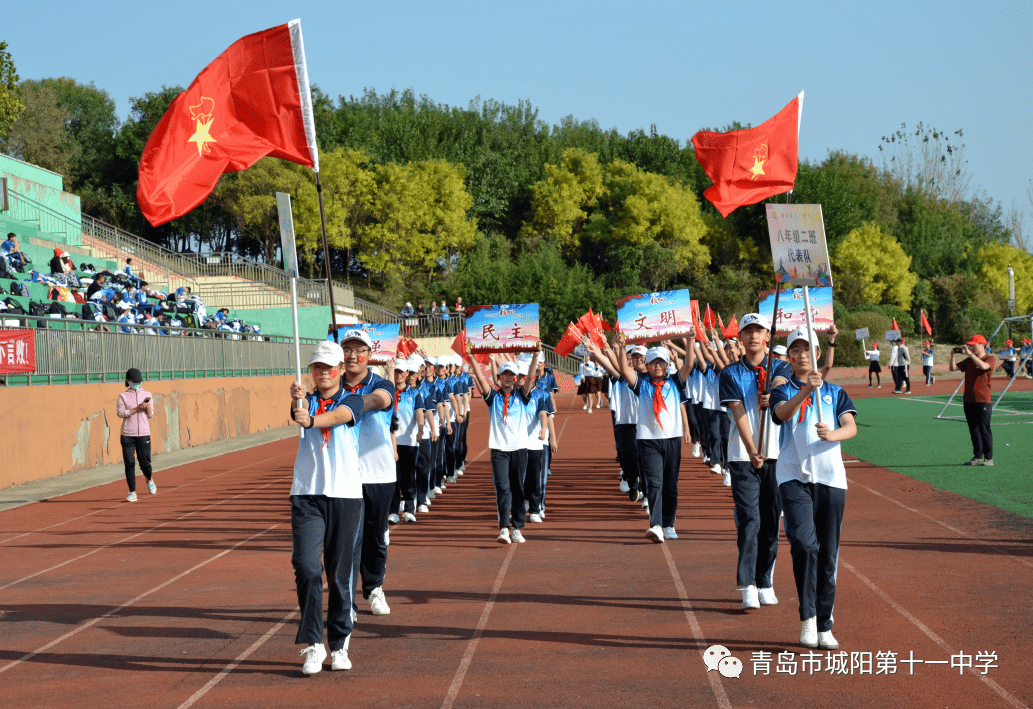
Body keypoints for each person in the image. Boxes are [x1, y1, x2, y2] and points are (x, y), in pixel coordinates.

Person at [770, 327, 858, 651]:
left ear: (817, 354)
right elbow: (781, 414)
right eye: (796, 349)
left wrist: (833, 434)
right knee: (805, 545)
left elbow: (851, 425)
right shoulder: (783, 388)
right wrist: (805, 390)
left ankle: (825, 624)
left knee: (828, 554)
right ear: (790, 356)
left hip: (831, 479)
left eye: (808, 348)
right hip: (793, 475)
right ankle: (807, 618)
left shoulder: (835, 392)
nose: (802, 354)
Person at [288, 340, 365, 674]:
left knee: (339, 573)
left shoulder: (353, 399)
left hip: (345, 495)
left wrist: (310, 421)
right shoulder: (305, 400)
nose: (321, 373)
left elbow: (339, 416)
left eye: (327, 367)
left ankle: (340, 642)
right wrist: (297, 403)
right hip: (307, 495)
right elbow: (298, 414)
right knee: (306, 567)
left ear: (340, 370)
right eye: (315, 367)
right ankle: (313, 644)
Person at [719, 314, 793, 611]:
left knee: (771, 521)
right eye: (747, 331)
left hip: (777, 454)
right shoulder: (730, 373)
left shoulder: (782, 366)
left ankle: (765, 580)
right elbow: (737, 412)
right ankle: (747, 583)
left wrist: (771, 394)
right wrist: (751, 450)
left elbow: (781, 384)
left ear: (767, 335)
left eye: (758, 330)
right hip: (743, 456)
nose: (752, 336)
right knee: (750, 519)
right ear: (741, 337)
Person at [615, 333, 694, 543]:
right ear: (647, 366)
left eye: (661, 362)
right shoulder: (642, 384)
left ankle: (669, 524)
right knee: (654, 483)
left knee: (671, 484)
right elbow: (624, 369)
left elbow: (689, 364)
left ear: (667, 365)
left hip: (672, 440)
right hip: (648, 440)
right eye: (652, 363)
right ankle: (656, 525)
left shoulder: (675, 382)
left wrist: (691, 340)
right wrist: (622, 347)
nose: (657, 366)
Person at [466, 342, 539, 543]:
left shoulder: (522, 396)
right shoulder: (493, 398)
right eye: (504, 374)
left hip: (519, 449)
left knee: (517, 488)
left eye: (511, 374)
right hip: (499, 450)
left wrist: (535, 355)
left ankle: (517, 527)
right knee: (502, 488)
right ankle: (504, 529)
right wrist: (472, 356)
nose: (508, 377)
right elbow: (481, 380)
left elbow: (531, 378)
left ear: (515, 378)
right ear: (499, 378)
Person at [948, 334, 995, 466]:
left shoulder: (989, 358)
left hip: (983, 400)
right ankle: (978, 457)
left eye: (973, 345)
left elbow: (984, 367)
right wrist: (953, 356)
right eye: (970, 345)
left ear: (982, 345)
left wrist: (970, 354)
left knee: (984, 429)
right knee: (973, 429)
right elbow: (952, 368)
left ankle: (989, 458)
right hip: (968, 400)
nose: (971, 347)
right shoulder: (969, 361)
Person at [390, 359, 424, 524]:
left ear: (406, 374)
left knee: (408, 477)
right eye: (395, 372)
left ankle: (410, 509)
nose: (398, 375)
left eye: (400, 372)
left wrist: (421, 429)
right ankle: (393, 511)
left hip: (409, 441)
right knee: (393, 477)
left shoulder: (415, 393)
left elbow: (419, 413)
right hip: (390, 442)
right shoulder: (387, 393)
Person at [117, 368, 156, 502]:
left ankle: (149, 479)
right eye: (135, 381)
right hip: (127, 434)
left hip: (144, 433)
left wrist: (148, 409)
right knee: (129, 463)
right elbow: (121, 413)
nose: (137, 384)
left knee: (145, 462)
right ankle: (132, 492)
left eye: (139, 382)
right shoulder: (123, 396)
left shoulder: (147, 394)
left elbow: (150, 415)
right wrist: (136, 409)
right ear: (128, 381)